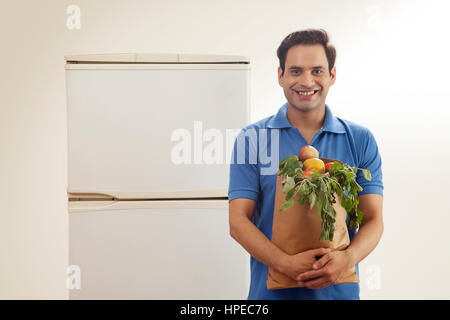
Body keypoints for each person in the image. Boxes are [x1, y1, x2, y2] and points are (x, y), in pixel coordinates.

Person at [228, 29, 384, 300]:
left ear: (332, 76)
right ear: (280, 76)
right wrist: (284, 263)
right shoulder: (251, 139)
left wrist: (346, 261)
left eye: (317, 71)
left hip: (339, 294)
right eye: (296, 71)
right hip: (269, 295)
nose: (306, 81)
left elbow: (373, 219)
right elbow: (238, 221)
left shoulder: (359, 139)